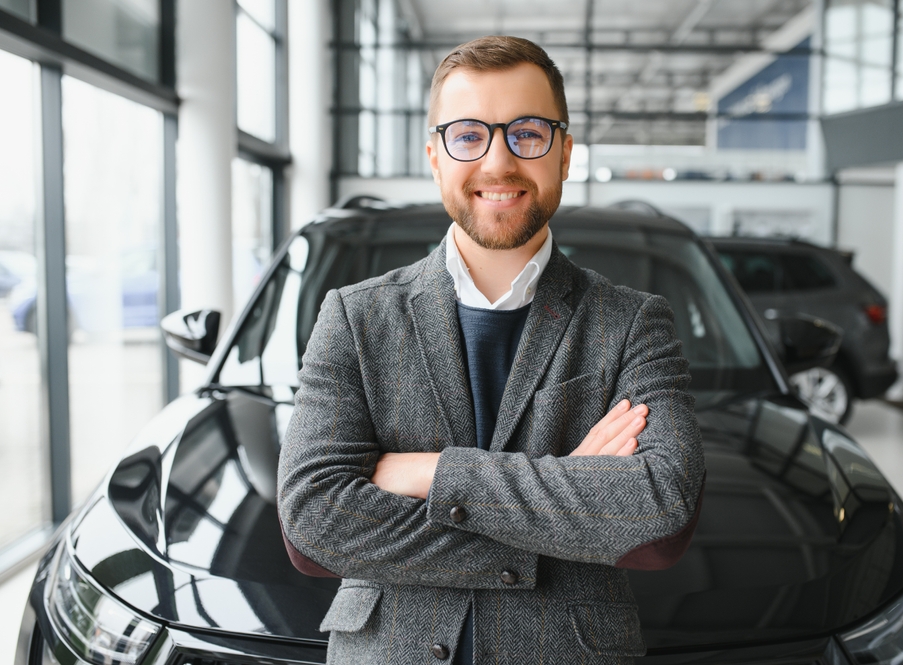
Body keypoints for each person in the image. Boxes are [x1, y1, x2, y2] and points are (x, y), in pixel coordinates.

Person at [277, 35, 705, 665]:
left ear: (564, 154)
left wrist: (428, 472)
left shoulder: (633, 323)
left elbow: (662, 511)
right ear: (434, 156)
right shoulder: (355, 315)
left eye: (527, 132)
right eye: (469, 135)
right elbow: (313, 523)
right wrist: (572, 498)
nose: (498, 162)